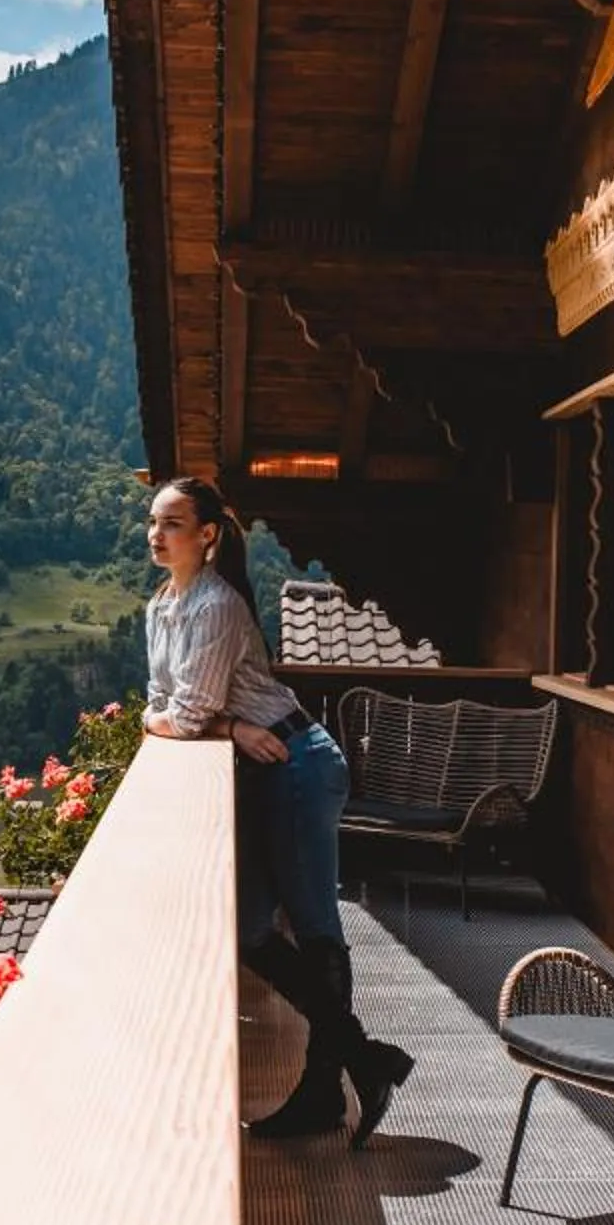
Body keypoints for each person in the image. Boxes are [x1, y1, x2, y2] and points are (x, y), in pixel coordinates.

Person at [142, 476, 414, 1145]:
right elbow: (161, 700)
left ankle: (328, 1089)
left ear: (207, 535)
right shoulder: (163, 604)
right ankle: (361, 1060)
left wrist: (213, 723)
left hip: (298, 764)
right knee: (250, 929)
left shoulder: (215, 607)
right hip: (266, 764)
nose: (156, 534)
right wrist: (229, 728)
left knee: (315, 925)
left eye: (172, 523)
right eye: (152, 522)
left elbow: (181, 714)